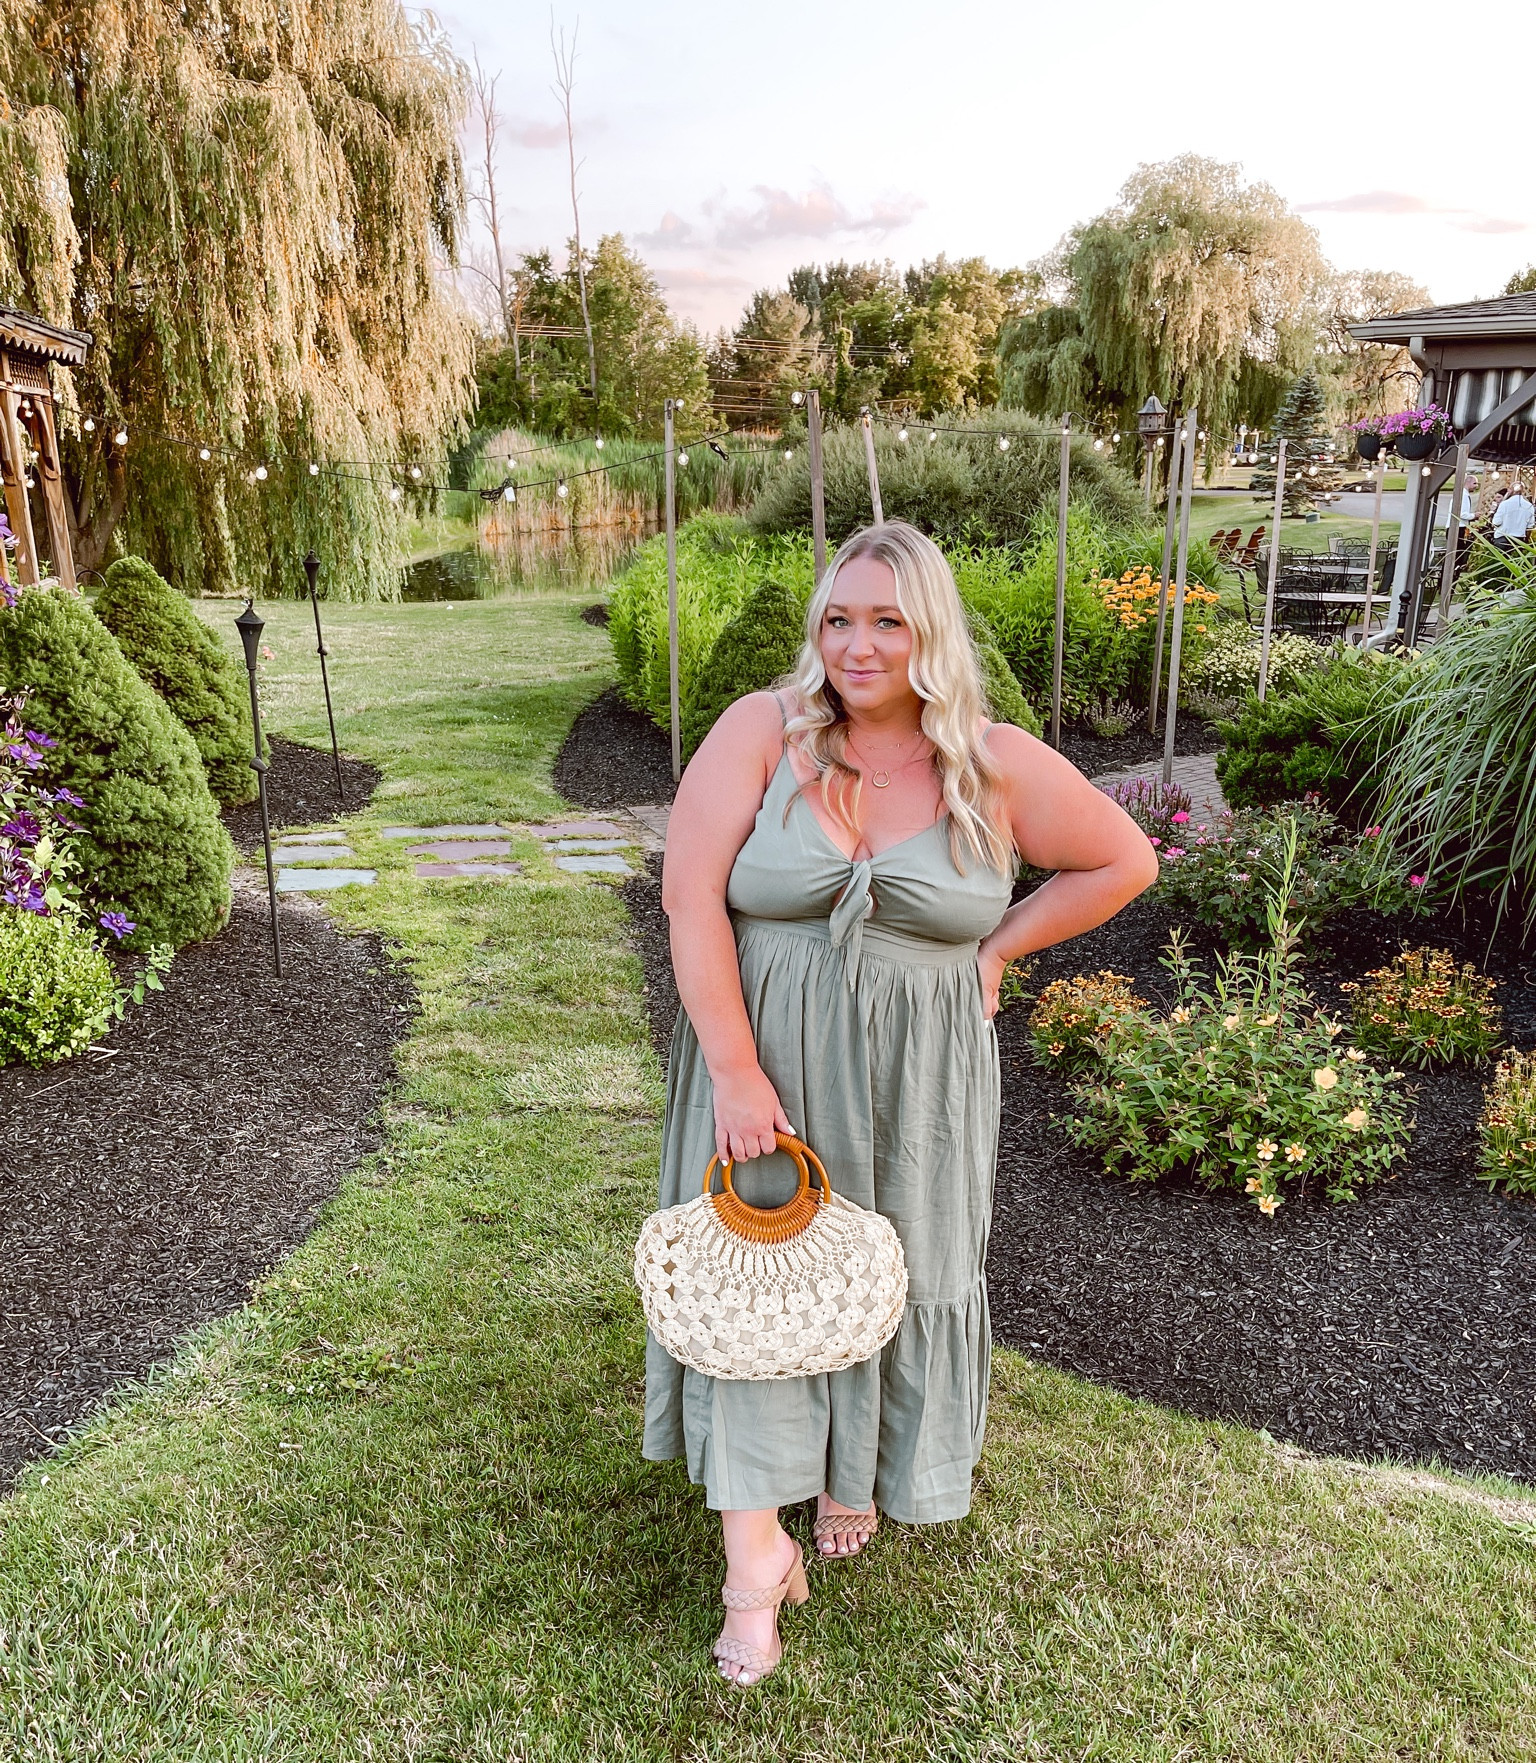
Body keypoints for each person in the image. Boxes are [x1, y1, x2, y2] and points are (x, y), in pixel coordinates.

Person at [645, 520, 1158, 1686]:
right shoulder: (758, 734)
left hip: (919, 1076)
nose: (857, 645)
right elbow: (688, 900)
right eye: (838, 618)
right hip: (763, 1053)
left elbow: (1124, 859)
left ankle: (851, 1468)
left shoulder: (993, 759)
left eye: (886, 619)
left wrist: (998, 952)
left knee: (890, 1272)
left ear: (930, 631)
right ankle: (752, 1562)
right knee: (755, 1278)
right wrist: (731, 1063)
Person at [1492, 483, 1535, 549]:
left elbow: (1496, 522)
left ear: (1511, 490)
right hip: (1519, 541)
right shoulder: (1529, 506)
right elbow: (1530, 526)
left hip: (1502, 539)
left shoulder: (1504, 504)